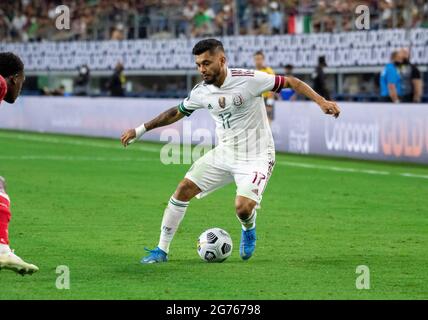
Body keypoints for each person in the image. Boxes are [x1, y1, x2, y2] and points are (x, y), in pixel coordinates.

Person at [120, 39, 340, 264]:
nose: (201, 69)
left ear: (222, 60)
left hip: (257, 155)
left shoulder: (249, 80)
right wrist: (141, 129)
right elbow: (175, 112)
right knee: (183, 189)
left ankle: (248, 227)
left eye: (206, 63)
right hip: (225, 153)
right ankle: (161, 250)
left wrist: (321, 102)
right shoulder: (201, 92)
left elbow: (292, 82)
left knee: (242, 208)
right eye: (198, 65)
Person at [0, 52, 39, 275]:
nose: (21, 88)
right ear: (14, 78)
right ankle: (2, 250)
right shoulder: (1, 84)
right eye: (22, 81)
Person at [253, 50, 276, 123]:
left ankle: (268, 134)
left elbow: (273, 87)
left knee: (268, 119)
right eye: (256, 59)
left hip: (267, 99)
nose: (258, 61)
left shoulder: (269, 71)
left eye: (260, 59)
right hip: (257, 99)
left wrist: (270, 102)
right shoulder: (253, 72)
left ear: (263, 60)